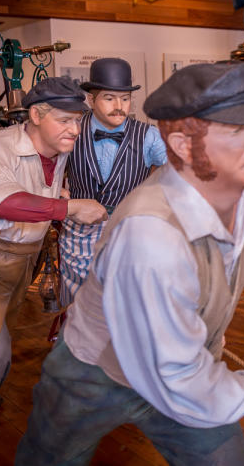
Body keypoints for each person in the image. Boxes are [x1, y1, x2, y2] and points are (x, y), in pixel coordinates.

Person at [16, 62, 244, 465]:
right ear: (181, 146)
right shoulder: (151, 234)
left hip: (191, 368)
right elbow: (174, 374)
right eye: (234, 131)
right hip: (95, 374)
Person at [0, 75, 108, 466]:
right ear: (35, 115)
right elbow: (3, 202)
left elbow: (35, 188)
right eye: (65, 120)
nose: (74, 130)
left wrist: (53, 196)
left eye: (78, 121)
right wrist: (69, 207)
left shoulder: (56, 147)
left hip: (20, 263)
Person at [58, 57, 167, 307]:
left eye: (125, 99)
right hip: (79, 235)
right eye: (109, 98)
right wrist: (61, 194)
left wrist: (148, 196)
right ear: (91, 99)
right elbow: (49, 169)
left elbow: (175, 171)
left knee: (125, 302)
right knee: (80, 307)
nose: (119, 106)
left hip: (129, 233)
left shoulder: (148, 135)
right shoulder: (72, 131)